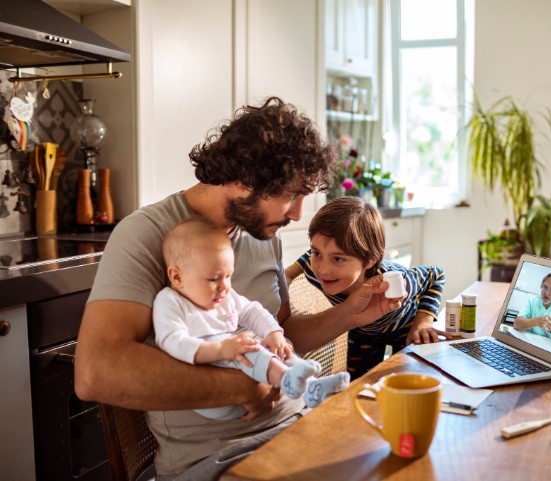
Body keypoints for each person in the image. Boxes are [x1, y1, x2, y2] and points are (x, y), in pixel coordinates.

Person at [74, 97, 402, 480]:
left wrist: (353, 313)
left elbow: (282, 333)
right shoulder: (146, 234)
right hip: (221, 458)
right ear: (245, 180)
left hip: (298, 423)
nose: (298, 213)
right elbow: (97, 372)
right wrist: (241, 388)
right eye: (290, 195)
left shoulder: (261, 234)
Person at [154, 219, 350, 421]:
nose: (224, 287)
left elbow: (250, 310)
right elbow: (171, 340)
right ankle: (286, 379)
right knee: (247, 346)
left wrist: (273, 332)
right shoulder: (170, 301)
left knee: (276, 348)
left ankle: (311, 386)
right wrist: (222, 349)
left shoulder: (223, 296)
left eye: (228, 276)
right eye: (213, 279)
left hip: (241, 374)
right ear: (177, 277)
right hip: (215, 396)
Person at [285, 196, 447, 380]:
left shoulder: (394, 282)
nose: (323, 270)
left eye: (338, 259)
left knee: (406, 379)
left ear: (370, 260)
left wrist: (422, 323)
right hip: (362, 331)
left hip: (404, 328)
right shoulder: (314, 270)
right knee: (360, 383)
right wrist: (289, 274)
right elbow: (309, 256)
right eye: (317, 254)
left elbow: (435, 274)